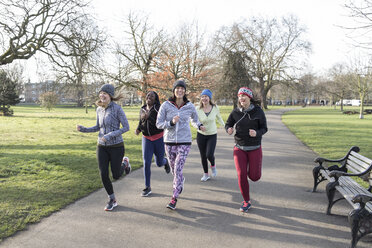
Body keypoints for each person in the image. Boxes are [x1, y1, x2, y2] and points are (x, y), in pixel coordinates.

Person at [76, 83, 130, 211]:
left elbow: (126, 127)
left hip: (116, 146)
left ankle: (125, 163)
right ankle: (112, 199)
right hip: (101, 146)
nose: (102, 95)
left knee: (116, 175)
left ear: (110, 95)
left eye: (105, 93)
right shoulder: (99, 109)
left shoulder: (117, 109)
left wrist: (110, 135)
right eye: (101, 93)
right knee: (103, 174)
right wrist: (83, 129)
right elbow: (97, 127)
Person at [156, 79, 205, 210]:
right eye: (177, 88)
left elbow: (195, 120)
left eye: (182, 89)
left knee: (178, 168)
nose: (180, 90)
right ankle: (180, 181)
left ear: (185, 91)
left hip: (185, 141)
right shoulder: (166, 105)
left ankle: (174, 197)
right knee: (174, 170)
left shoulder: (189, 106)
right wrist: (171, 123)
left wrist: (199, 125)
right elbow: (159, 124)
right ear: (174, 90)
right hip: (169, 141)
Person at [225, 87, 267, 212]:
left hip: (255, 148)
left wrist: (257, 133)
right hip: (239, 148)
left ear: (249, 97)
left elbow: (264, 128)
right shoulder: (235, 112)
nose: (241, 98)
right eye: (239, 96)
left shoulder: (258, 112)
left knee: (254, 177)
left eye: (244, 96)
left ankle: (252, 171)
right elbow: (228, 124)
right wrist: (228, 129)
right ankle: (246, 201)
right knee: (241, 174)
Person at [135, 91, 170, 197]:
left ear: (155, 99)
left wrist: (148, 118)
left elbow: (160, 124)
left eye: (152, 96)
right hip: (146, 139)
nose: (149, 97)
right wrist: (138, 129)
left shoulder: (158, 108)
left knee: (159, 162)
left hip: (158, 138)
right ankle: (147, 187)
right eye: (148, 95)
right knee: (146, 162)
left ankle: (165, 162)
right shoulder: (142, 108)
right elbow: (141, 121)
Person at [196, 89, 225, 181]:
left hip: (212, 134)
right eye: (202, 96)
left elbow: (219, 119)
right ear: (201, 98)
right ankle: (206, 174)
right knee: (203, 155)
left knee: (209, 154)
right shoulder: (197, 109)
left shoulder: (215, 108)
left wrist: (226, 127)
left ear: (209, 98)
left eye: (206, 96)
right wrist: (199, 126)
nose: (204, 98)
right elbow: (193, 121)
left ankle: (213, 165)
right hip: (201, 135)